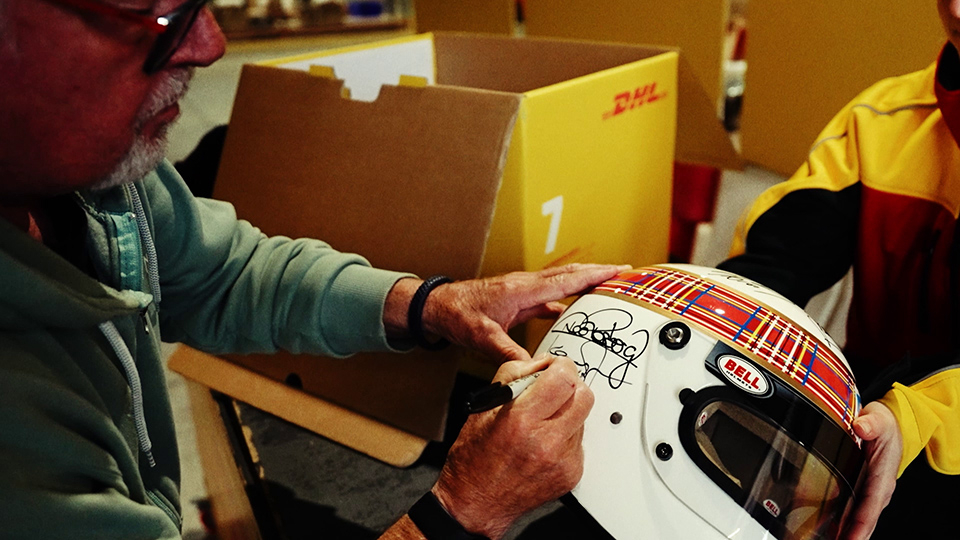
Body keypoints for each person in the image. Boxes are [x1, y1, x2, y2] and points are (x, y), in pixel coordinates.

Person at [0, 0, 620, 538]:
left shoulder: (94, 171)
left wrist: (431, 303)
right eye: (141, 4)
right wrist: (464, 508)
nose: (209, 43)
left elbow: (222, 274)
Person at [719, 0, 960, 536]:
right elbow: (777, 259)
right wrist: (700, 314)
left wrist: (915, 419)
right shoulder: (880, 117)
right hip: (866, 417)